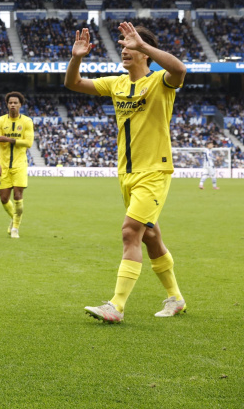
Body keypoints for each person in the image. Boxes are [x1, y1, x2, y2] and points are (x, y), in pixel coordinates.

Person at [65, 23, 187, 323]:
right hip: (127, 174)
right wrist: (77, 56)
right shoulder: (117, 84)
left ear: (144, 53)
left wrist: (143, 45)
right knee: (150, 237)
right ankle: (175, 298)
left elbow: (180, 70)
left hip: (154, 171)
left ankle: (116, 306)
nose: (124, 50)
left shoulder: (160, 81)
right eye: (122, 46)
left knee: (130, 231)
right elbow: (74, 83)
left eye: (129, 46)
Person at [0, 92, 34, 239]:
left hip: (20, 164)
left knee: (18, 195)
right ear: (7, 104)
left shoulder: (27, 122)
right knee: (4, 198)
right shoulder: (0, 121)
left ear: (20, 105)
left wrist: (10, 139)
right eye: (10, 102)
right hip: (4, 164)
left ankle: (15, 228)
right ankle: (16, 218)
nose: (12, 105)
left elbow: (28, 143)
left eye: (15, 103)